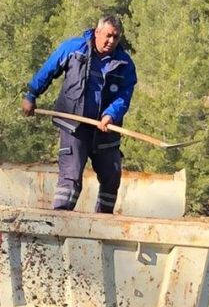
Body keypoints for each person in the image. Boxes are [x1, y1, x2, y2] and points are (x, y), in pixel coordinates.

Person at [21, 15, 137, 214]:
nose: (111, 41)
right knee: (71, 177)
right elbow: (48, 69)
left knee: (112, 176)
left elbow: (124, 96)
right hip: (74, 126)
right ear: (97, 32)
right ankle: (61, 222)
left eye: (116, 37)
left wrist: (110, 115)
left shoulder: (125, 64)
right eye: (108, 36)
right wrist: (31, 94)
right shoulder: (74, 48)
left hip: (106, 130)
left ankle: (103, 223)